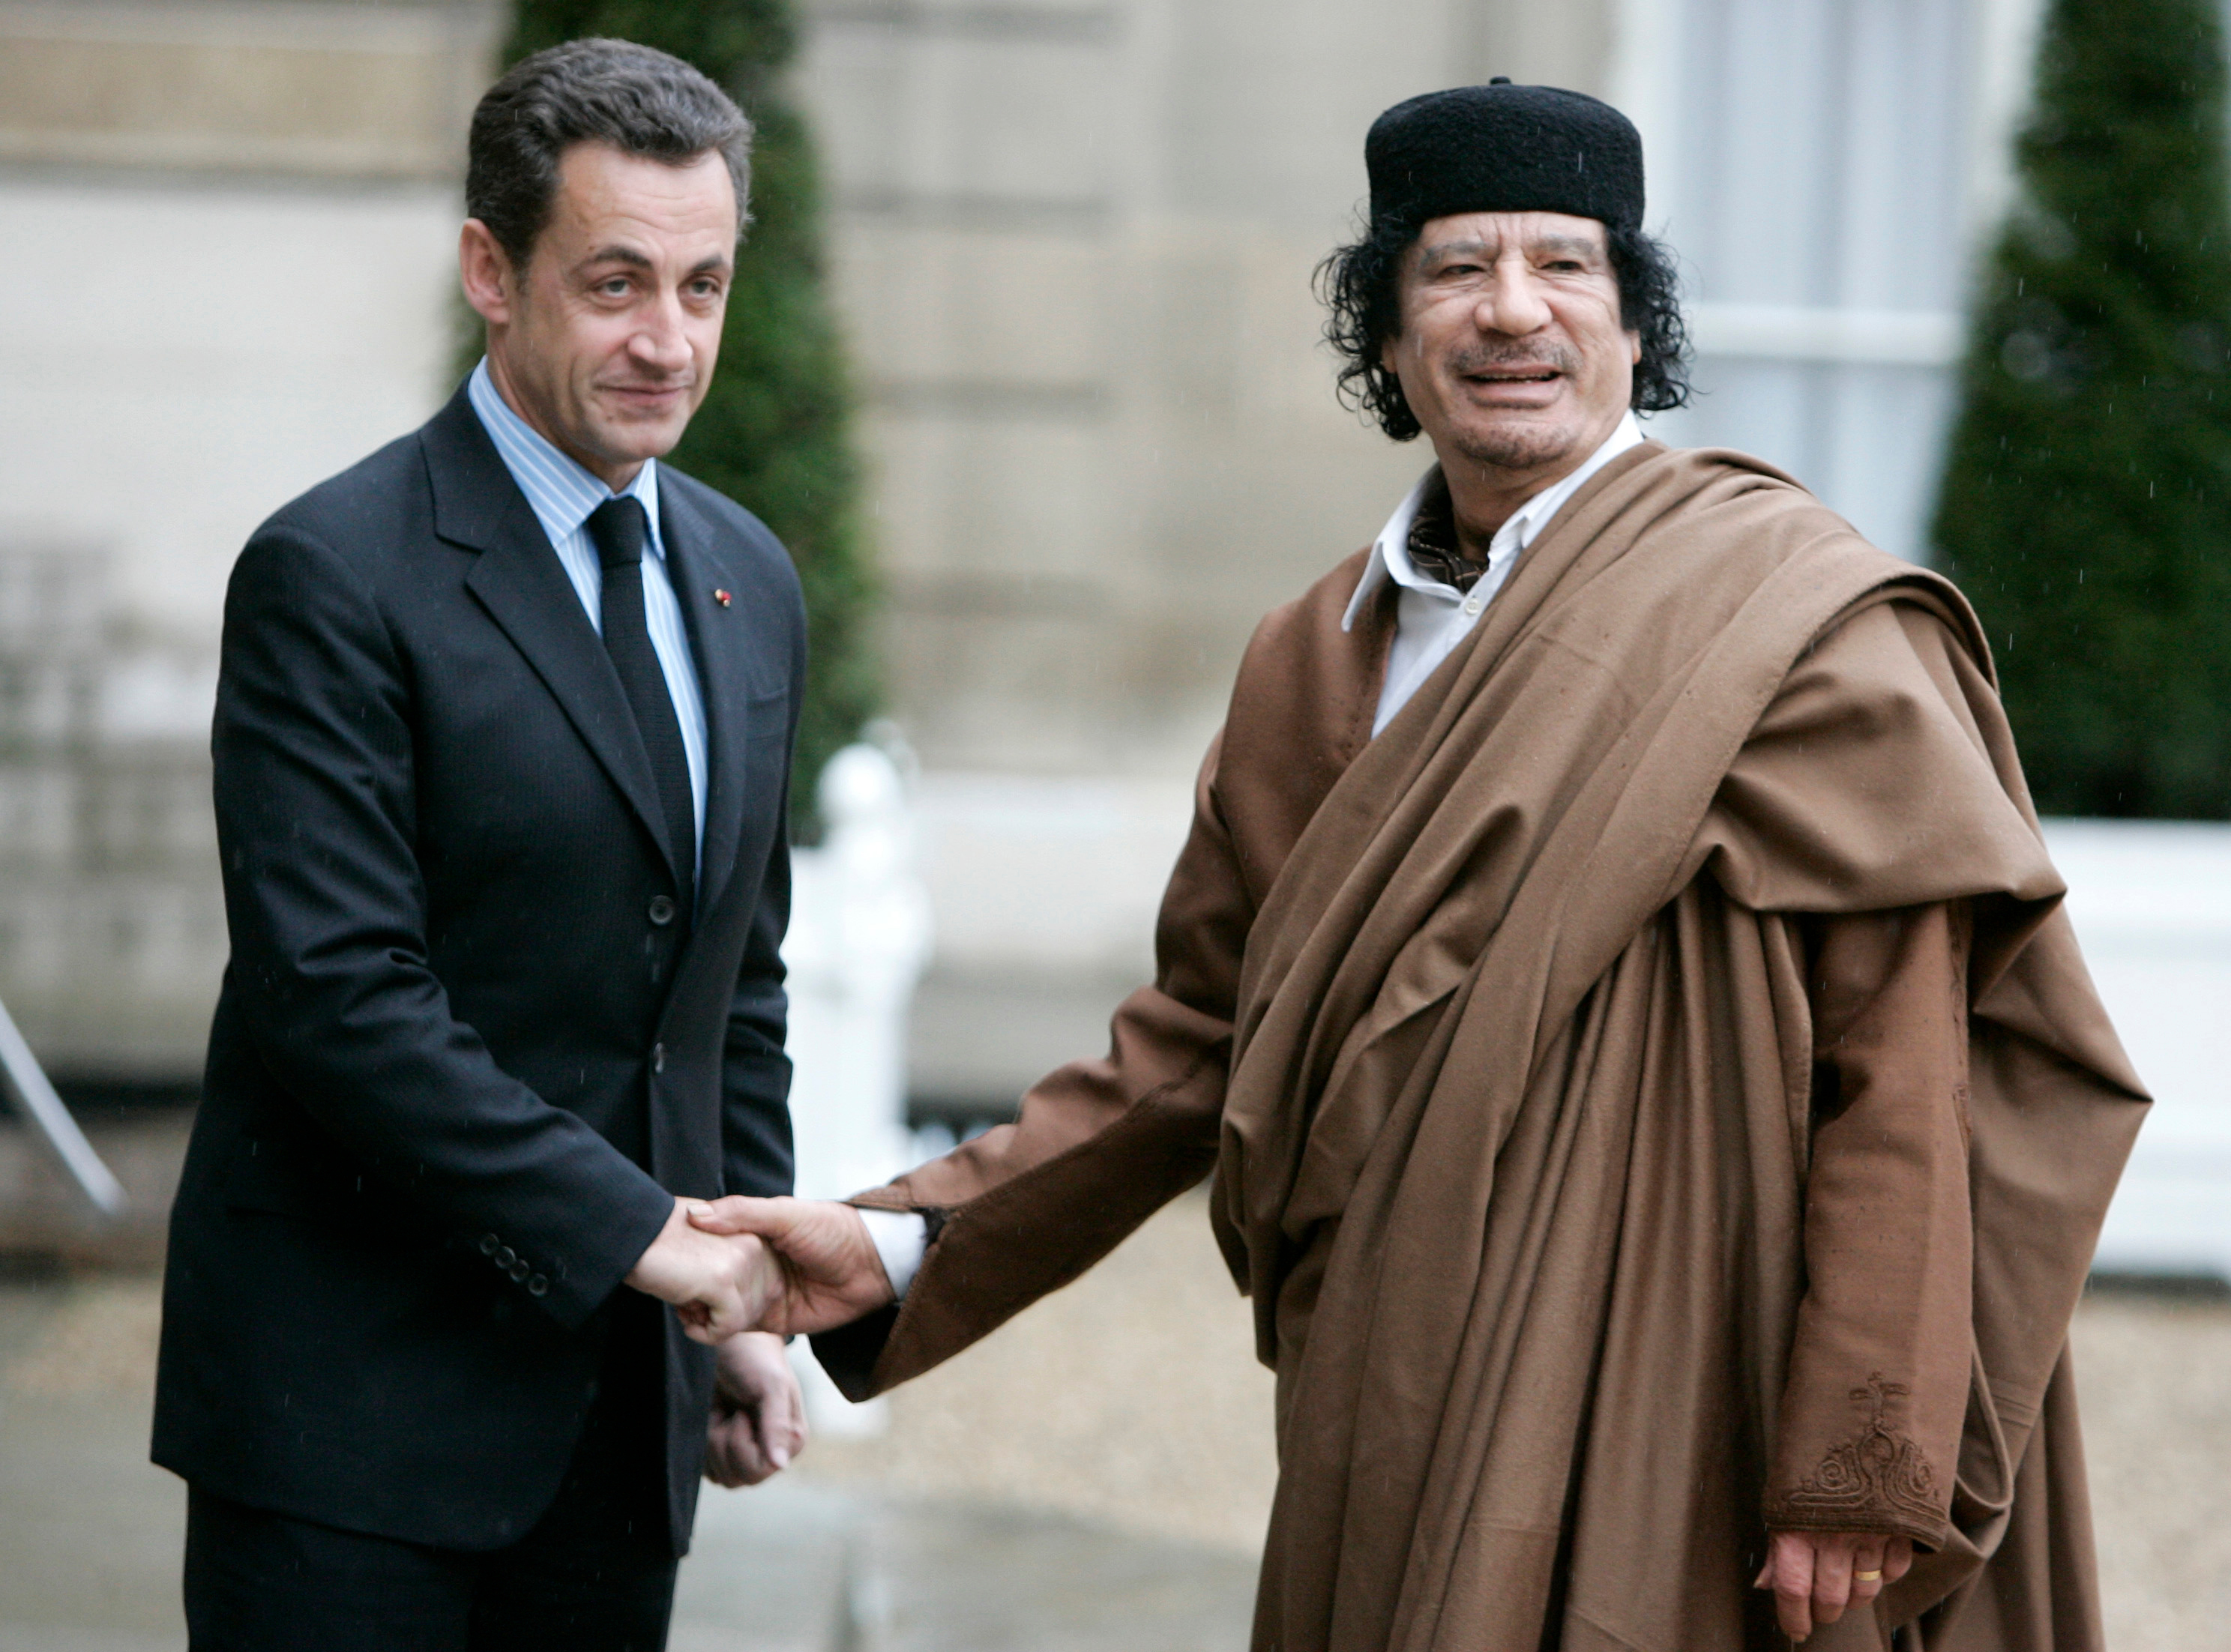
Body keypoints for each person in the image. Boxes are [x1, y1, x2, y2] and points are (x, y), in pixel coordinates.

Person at [701, 82, 2149, 1651]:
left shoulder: (1796, 626)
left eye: (1565, 267)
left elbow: (1906, 1066)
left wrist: (1860, 1460)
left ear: (1632, 321)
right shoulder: (1311, 662)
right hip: (1388, 1389)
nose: (1512, 311)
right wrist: (905, 1236)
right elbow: (1197, 1040)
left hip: (1696, 1399)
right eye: (1457, 269)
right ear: (1386, 334)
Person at [152, 38, 802, 1651]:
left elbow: (739, 977)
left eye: (705, 286)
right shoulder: (332, 571)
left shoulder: (748, 574)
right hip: (348, 1428)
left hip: (616, 1427)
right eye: (617, 283)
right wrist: (650, 1241)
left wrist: (749, 1283)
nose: (670, 342)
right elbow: (339, 997)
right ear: (488, 272)